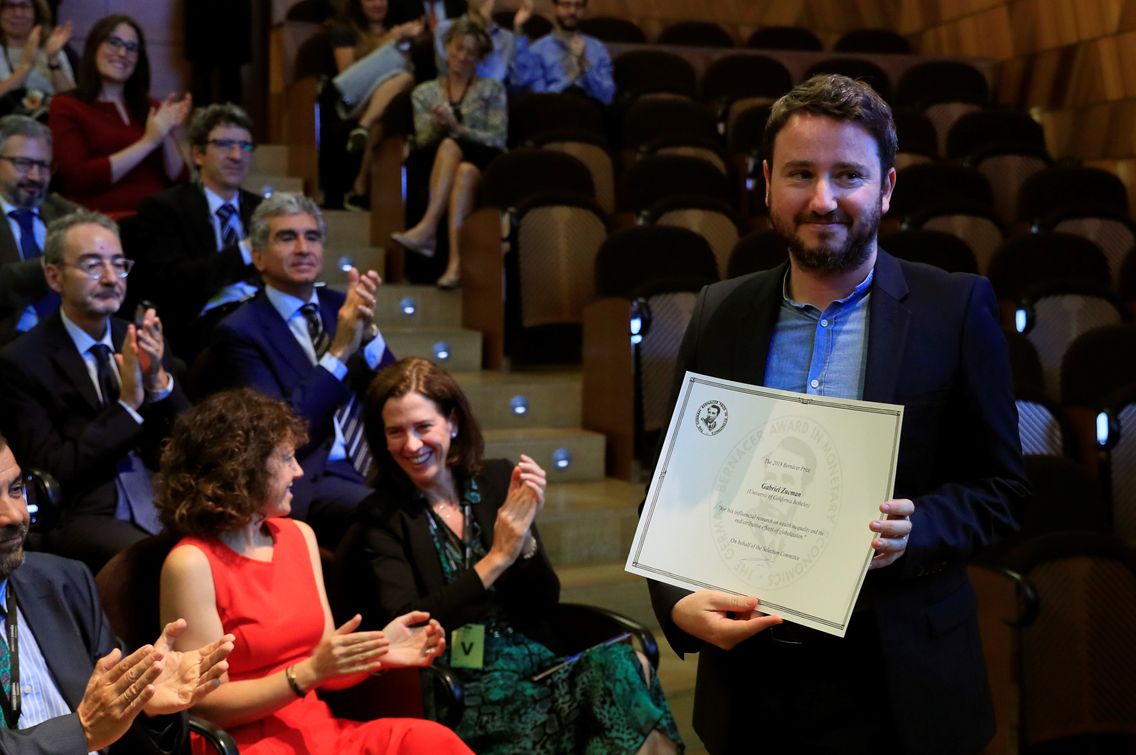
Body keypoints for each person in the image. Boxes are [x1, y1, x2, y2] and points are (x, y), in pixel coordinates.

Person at [645, 74, 1029, 754]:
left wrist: (923, 526)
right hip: (752, 681)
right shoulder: (717, 311)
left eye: (848, 174)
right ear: (767, 183)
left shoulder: (957, 308)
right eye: (800, 173)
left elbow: (1001, 491)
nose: (822, 199)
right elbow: (678, 486)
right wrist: (675, 600)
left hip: (900, 684)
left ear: (885, 187)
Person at [355, 357, 683, 754]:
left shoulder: (494, 480)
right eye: (396, 432)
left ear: (453, 423)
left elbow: (545, 600)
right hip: (458, 684)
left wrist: (523, 541)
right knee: (624, 684)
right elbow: (409, 623)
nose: (411, 444)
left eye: (423, 427)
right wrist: (496, 558)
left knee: (625, 665)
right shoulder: (382, 514)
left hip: (532, 661)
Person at [156, 388, 472, 755]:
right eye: (287, 458)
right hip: (246, 744)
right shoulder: (191, 563)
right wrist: (305, 675)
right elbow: (205, 705)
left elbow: (323, 663)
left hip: (316, 731)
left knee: (430, 741)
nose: (299, 471)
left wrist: (377, 652)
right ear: (243, 470)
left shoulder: (299, 536)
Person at [0, 432, 235, 753]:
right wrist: (81, 731)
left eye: (15, 490)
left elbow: (117, 730)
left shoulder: (64, 582)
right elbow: (90, 726)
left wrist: (146, 706)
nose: (14, 515)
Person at [0, 210, 188, 573]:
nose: (110, 278)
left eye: (119, 265)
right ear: (54, 276)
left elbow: (195, 443)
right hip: (86, 508)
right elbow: (53, 470)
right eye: (92, 265)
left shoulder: (141, 338)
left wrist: (160, 385)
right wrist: (128, 406)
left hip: (163, 496)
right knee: (162, 559)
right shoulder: (21, 361)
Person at [210, 192, 394, 546]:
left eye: (311, 237)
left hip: (377, 459)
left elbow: (398, 390)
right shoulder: (239, 331)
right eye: (286, 237)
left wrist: (369, 335)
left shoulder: (341, 305)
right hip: (308, 474)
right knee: (391, 511)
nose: (303, 247)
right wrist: (340, 350)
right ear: (259, 257)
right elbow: (277, 428)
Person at [133, 103, 262, 360]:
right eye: (225, 144)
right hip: (199, 328)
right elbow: (174, 284)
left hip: (262, 317)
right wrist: (245, 251)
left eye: (245, 146)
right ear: (198, 154)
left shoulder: (263, 210)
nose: (237, 155)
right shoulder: (164, 208)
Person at [390, 18, 505, 289]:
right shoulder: (425, 92)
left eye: (470, 52)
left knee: (456, 151)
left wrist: (458, 128)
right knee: (455, 161)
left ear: (479, 57)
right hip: (434, 159)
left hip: (482, 157)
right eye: (458, 49)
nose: (462, 56)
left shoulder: (493, 90)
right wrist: (441, 126)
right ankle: (454, 264)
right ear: (447, 49)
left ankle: (428, 228)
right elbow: (423, 139)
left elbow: (497, 137)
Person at [47, 14, 189, 218]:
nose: (123, 53)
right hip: (102, 222)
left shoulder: (151, 106)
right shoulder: (67, 106)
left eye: (132, 48)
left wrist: (164, 132)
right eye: (114, 42)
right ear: (95, 46)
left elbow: (180, 178)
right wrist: (148, 141)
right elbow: (79, 177)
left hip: (160, 217)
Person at [331, 0, 422, 212]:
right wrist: (391, 41)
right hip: (354, 98)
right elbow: (348, 77)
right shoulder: (344, 31)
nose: (377, 4)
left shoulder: (400, 30)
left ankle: (360, 187)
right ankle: (362, 127)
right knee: (402, 79)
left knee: (402, 82)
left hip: (384, 105)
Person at [0, 113, 77, 342]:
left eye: (43, 165)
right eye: (23, 164)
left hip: (68, 340)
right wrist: (56, 266)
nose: (35, 176)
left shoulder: (67, 214)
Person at [433, 0, 536, 90]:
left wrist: (518, 28)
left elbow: (522, 80)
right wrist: (481, 29)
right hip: (452, 103)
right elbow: (454, 73)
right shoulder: (445, 29)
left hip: (493, 105)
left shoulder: (506, 38)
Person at [528, 0, 614, 105]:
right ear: (554, 8)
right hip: (551, 111)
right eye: (566, 4)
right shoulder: (537, 49)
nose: (572, 11)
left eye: (578, 5)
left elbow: (607, 97)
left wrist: (584, 62)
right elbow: (537, 99)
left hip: (590, 113)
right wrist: (568, 80)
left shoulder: (598, 48)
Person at [0, 0, 75, 117]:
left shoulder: (52, 47)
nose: (18, 13)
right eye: (9, 6)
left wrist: (53, 61)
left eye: (25, 6)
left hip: (48, 129)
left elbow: (73, 102)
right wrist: (25, 66)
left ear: (36, 13)